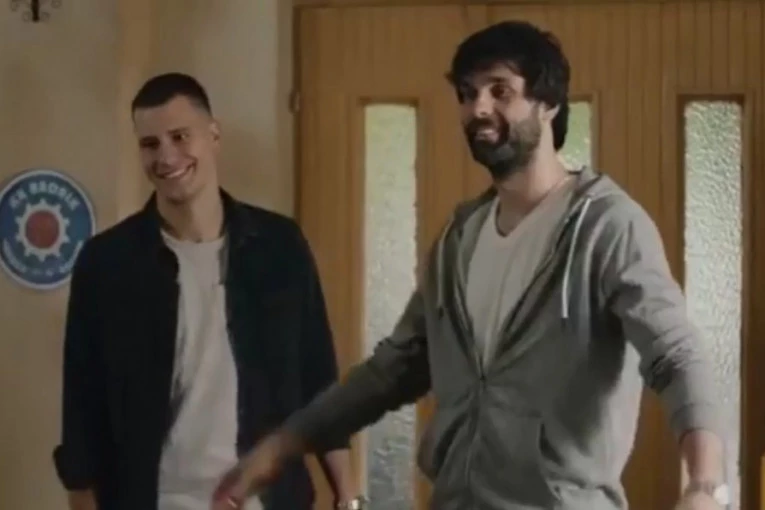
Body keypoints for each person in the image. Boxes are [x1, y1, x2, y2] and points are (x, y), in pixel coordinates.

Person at [211, 21, 730, 510]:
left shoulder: (606, 226)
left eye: (500, 90)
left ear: (548, 103)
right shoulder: (460, 238)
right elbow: (391, 371)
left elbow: (676, 356)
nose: (478, 107)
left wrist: (704, 485)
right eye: (467, 93)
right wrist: (282, 446)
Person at [53, 73, 363, 510]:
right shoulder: (107, 263)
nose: (166, 157)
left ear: (213, 136)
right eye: (150, 144)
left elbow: (318, 376)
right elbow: (83, 408)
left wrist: (348, 495)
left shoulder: (280, 246)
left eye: (180, 137)